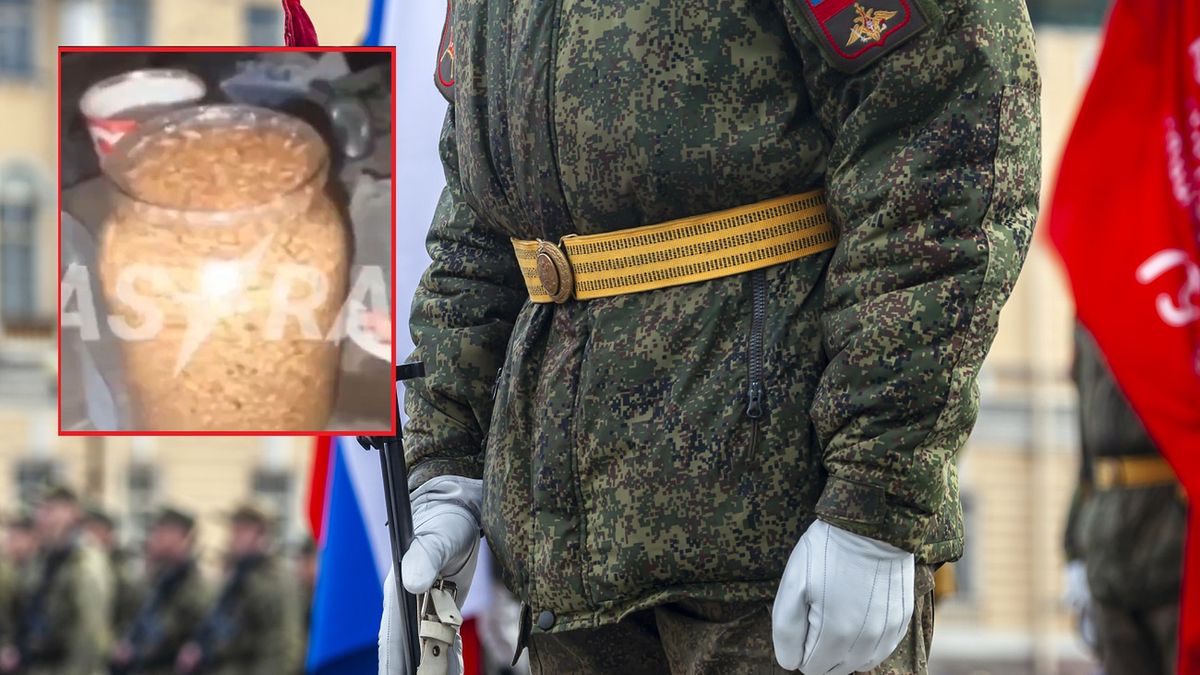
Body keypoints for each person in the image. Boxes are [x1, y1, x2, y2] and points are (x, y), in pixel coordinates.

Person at [384, 0, 1042, 671]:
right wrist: (447, 461)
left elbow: (938, 143)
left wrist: (876, 496)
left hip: (777, 541)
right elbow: (481, 213)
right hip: (566, 561)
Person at [1063, 325, 1183, 675]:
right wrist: (1074, 547)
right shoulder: (1093, 305)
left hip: (1175, 535)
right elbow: (1088, 448)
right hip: (1107, 541)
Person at [176, 503, 301, 675]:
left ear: (260, 534)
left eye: (240, 530)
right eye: (233, 530)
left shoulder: (274, 581)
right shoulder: (238, 576)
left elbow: (283, 650)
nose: (232, 537)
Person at [4, 486, 112, 675]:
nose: (41, 518)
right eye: (41, 510)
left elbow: (89, 636)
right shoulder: (47, 559)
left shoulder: (85, 562)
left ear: (72, 514)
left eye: (50, 510)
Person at [110, 507, 208, 675]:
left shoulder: (196, 588)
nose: (154, 538)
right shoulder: (152, 581)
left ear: (183, 537)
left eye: (162, 533)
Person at [83, 505, 143, 641]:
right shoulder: (82, 566)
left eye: (93, 530)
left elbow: (130, 610)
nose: (87, 537)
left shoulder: (124, 569)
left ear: (109, 534)